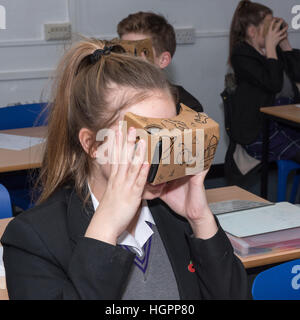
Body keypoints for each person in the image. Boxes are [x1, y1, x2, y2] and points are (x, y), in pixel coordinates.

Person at [1, 39, 250, 300]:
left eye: (166, 138)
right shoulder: (34, 240)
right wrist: (105, 229)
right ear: (92, 145)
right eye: (141, 141)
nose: (159, 158)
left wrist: (200, 220)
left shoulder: (173, 215)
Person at [228, 0, 300, 163]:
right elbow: (273, 84)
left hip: (284, 122)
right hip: (261, 130)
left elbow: (298, 74)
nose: (272, 31)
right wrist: (270, 49)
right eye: (268, 26)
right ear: (252, 31)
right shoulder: (242, 55)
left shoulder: (273, 51)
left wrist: (285, 44)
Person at [117, 11, 204, 114]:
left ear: (163, 60)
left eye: (139, 52)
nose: (127, 59)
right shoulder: (109, 96)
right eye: (124, 50)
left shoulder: (187, 108)